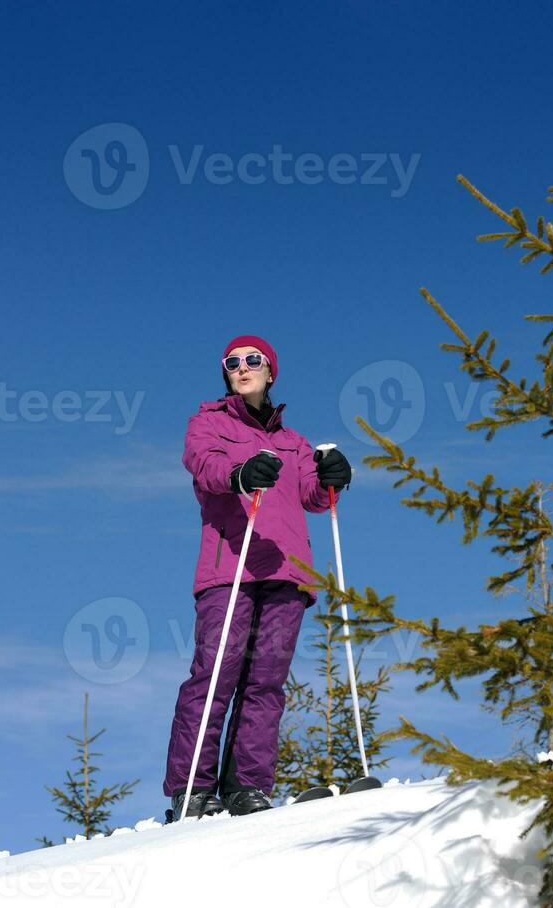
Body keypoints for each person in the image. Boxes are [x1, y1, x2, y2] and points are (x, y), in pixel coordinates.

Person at [163, 334, 352, 819]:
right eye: (232, 362)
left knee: (266, 681)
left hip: (287, 571)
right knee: (214, 674)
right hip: (230, 564)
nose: (241, 367)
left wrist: (332, 475)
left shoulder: (294, 443)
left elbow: (313, 495)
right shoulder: (207, 424)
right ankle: (193, 790)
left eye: (253, 360)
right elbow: (204, 465)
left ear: (271, 372)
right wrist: (240, 475)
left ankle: (247, 786)